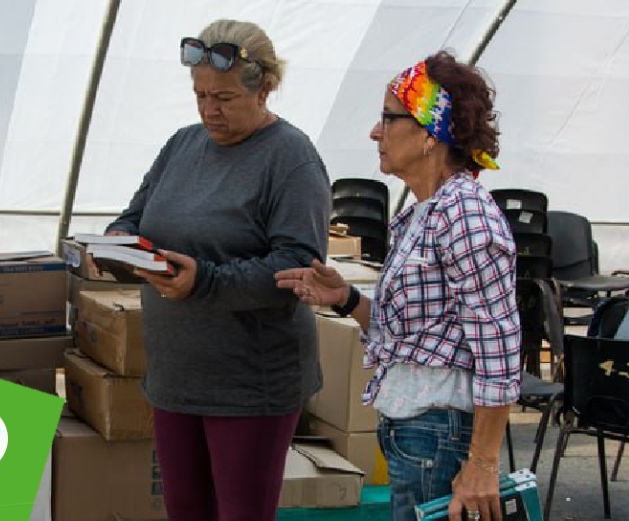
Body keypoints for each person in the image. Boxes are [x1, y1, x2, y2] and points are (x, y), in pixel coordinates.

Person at [276, 51, 520, 521]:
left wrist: (482, 466)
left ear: (430, 134)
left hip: (438, 433)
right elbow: (417, 336)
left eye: (389, 118)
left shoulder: (464, 214)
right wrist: (345, 299)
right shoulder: (427, 211)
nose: (375, 132)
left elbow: (500, 349)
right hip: (417, 432)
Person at [105, 19, 331, 521]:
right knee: (185, 511)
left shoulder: (290, 159)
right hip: (175, 374)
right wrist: (121, 241)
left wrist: (204, 281)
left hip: (250, 384)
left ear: (265, 88)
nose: (210, 109)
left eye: (225, 98)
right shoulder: (182, 145)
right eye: (200, 95)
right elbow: (134, 215)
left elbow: (297, 268)